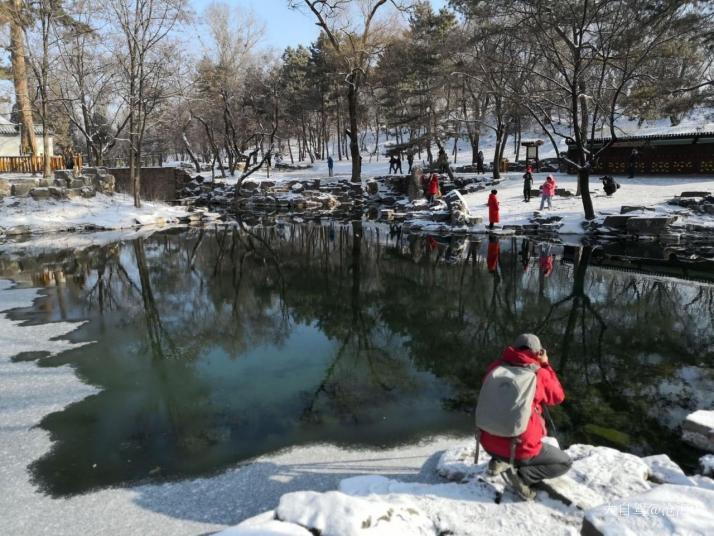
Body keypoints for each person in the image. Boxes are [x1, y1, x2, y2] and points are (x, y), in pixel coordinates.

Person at [476, 334, 571, 500]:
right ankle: (522, 477)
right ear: (538, 352)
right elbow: (558, 397)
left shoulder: (496, 367)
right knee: (564, 462)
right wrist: (546, 365)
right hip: (519, 449)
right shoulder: (538, 373)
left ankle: (498, 460)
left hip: (487, 442)